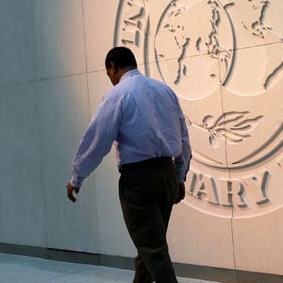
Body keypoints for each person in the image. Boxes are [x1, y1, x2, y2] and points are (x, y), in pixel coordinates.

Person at [66, 46, 192, 283]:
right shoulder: (164, 91)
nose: (111, 79)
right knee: (150, 245)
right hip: (166, 175)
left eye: (108, 73)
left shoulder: (118, 95)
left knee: (153, 249)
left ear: (112, 67)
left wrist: (76, 177)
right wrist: (179, 175)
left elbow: (97, 139)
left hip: (138, 181)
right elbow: (183, 136)